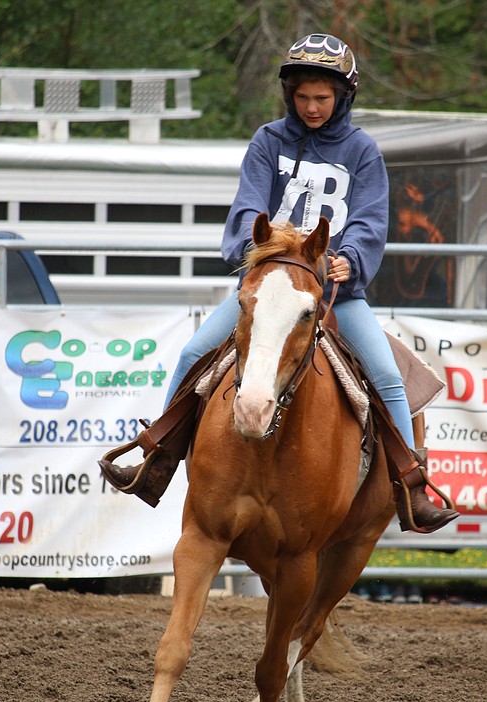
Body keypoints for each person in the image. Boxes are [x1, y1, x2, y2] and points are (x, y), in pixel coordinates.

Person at [99, 32, 459, 533]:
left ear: (343, 96)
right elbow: (249, 205)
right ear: (289, 95)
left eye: (322, 98)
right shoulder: (268, 140)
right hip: (269, 290)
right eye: (303, 96)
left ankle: (411, 487)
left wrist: (351, 260)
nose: (311, 107)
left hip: (334, 294)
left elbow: (371, 217)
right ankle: (157, 460)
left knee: (387, 375)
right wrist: (255, 250)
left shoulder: (362, 151)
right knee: (193, 352)